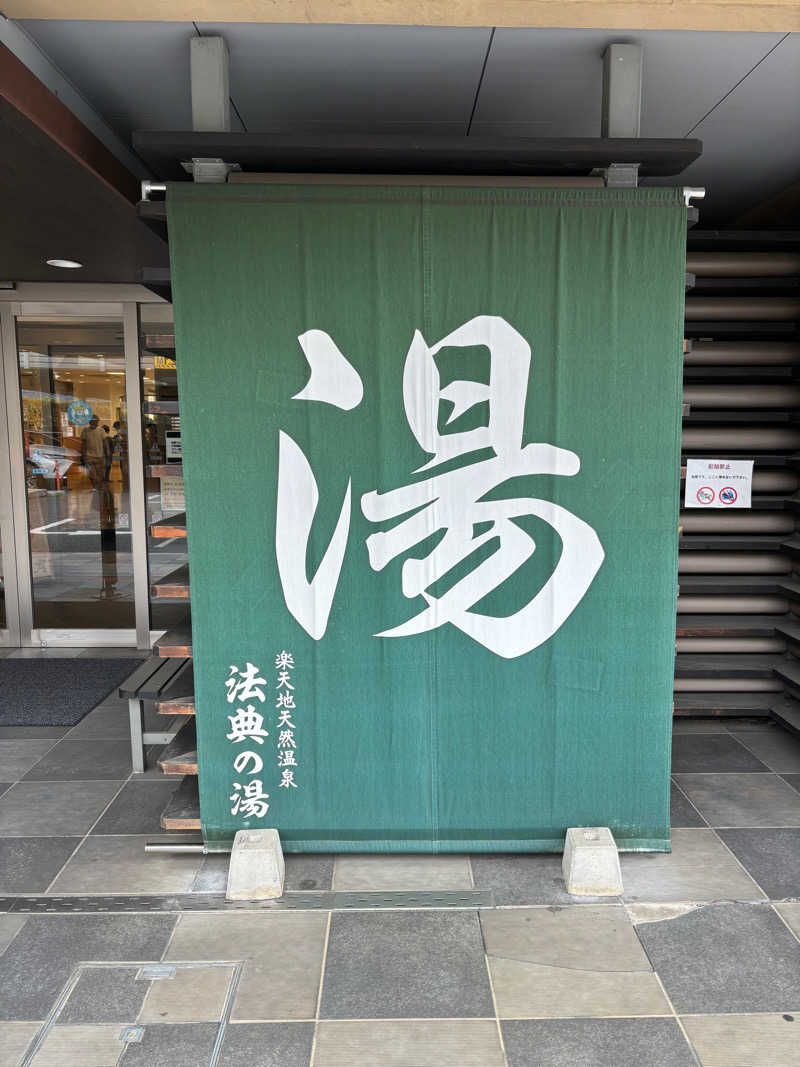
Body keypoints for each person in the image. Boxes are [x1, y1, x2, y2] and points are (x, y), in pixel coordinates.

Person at [81, 417, 106, 488]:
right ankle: (94, 486)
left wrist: (107, 452)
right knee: (91, 474)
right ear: (89, 422)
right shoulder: (85, 430)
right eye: (92, 421)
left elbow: (105, 442)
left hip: (100, 455)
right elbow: (84, 443)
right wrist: (83, 455)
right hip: (89, 456)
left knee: (100, 474)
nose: (94, 423)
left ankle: (99, 486)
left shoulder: (101, 430)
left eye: (96, 421)